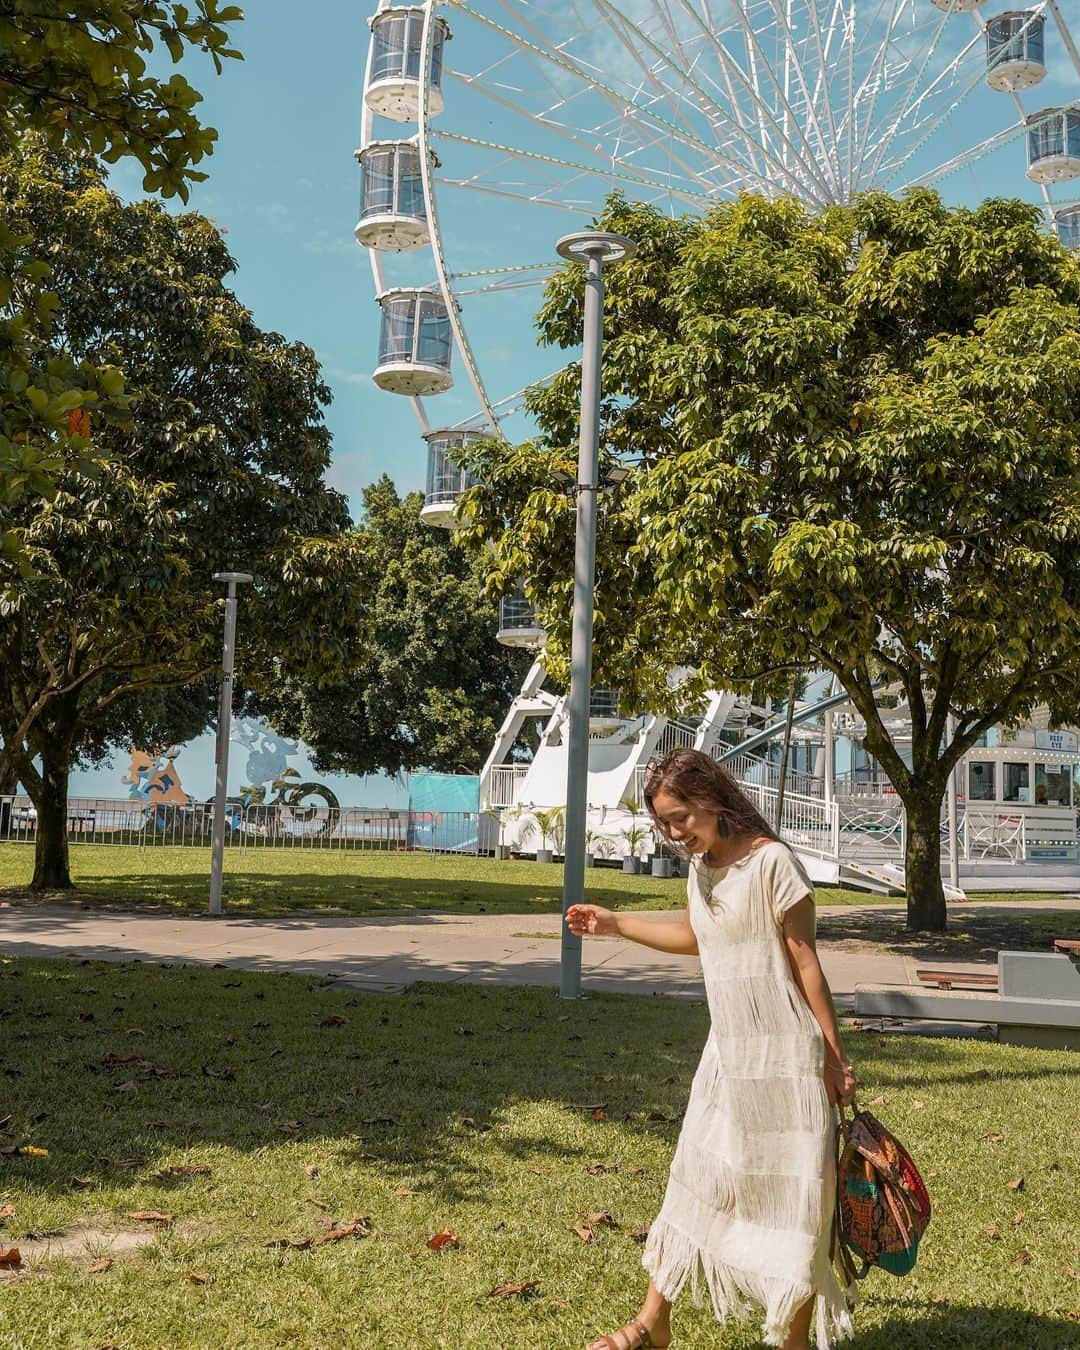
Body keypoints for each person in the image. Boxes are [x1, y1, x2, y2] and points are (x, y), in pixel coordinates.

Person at [566, 748, 858, 1350]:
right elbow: (696, 937)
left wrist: (832, 1055)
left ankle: (792, 1341)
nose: (676, 833)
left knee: (794, 1199)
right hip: (727, 1058)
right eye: (665, 824)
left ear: (712, 798)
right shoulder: (702, 869)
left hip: (786, 1062)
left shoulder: (774, 863)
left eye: (682, 818)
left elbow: (807, 961)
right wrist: (616, 924)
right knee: (695, 1182)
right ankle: (653, 1323)